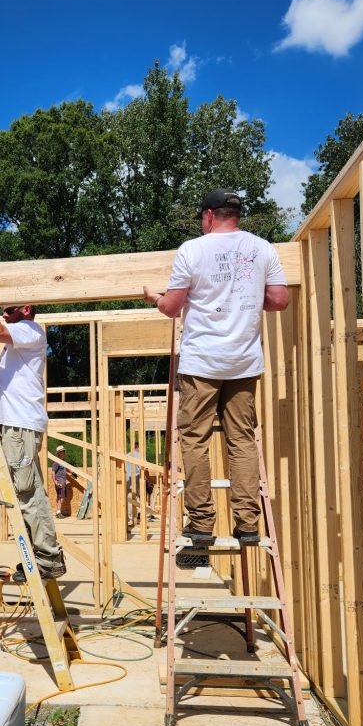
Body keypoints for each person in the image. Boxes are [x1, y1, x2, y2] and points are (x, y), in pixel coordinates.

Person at [142, 189, 289, 549]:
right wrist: (250, 294)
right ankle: (249, 524)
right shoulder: (262, 248)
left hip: (202, 363)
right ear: (235, 215)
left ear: (208, 215)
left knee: (194, 438)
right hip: (243, 361)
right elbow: (280, 299)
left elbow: (173, 308)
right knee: (242, 440)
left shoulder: (193, 250)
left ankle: (203, 523)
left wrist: (155, 298)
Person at [0, 266, 66, 584]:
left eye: (9, 308)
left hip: (19, 427)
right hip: (13, 427)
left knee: (26, 491)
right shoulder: (11, 349)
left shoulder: (31, 330)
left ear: (27, 309)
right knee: (24, 491)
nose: (3, 313)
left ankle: (48, 556)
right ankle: (38, 555)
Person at [126, 442, 141, 527]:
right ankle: (136, 517)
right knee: (137, 498)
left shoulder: (127, 455)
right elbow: (144, 468)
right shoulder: (138, 455)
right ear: (138, 447)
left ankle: (130, 518)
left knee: (129, 500)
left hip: (127, 481)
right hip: (136, 481)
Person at [51, 446, 68, 517]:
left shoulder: (62, 462)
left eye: (64, 451)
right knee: (61, 496)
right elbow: (53, 472)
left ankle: (58, 511)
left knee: (61, 496)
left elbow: (67, 469)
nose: (64, 453)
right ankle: (58, 512)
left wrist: (73, 472)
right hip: (59, 481)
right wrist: (55, 481)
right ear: (59, 453)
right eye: (62, 452)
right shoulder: (57, 462)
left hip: (62, 481)